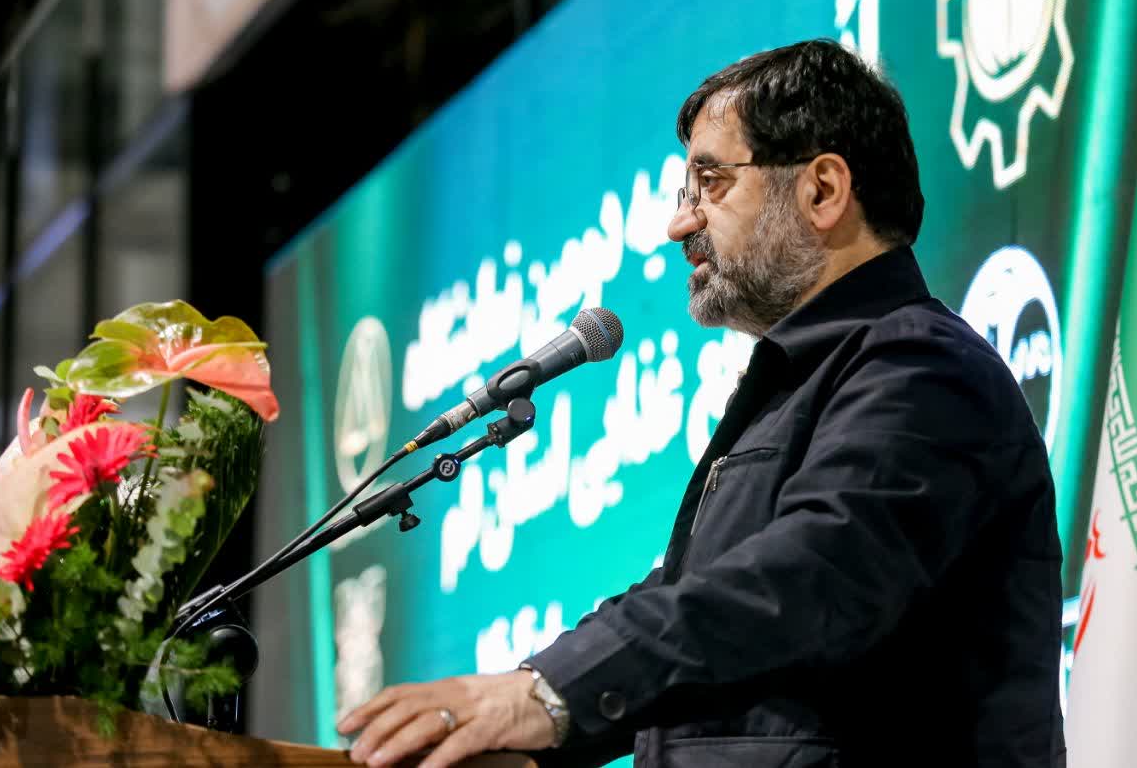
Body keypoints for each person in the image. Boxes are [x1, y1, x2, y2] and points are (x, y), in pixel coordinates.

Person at [337, 39, 1066, 767]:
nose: (679, 225)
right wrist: (511, 731)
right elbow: (696, 603)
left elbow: (803, 583)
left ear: (822, 190)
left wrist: (547, 695)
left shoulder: (924, 368)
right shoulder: (802, 385)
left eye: (709, 183)